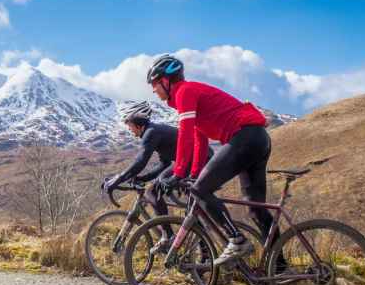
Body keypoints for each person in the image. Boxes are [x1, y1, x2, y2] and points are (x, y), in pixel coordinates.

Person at [146, 54, 279, 266]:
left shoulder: (185, 92)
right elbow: (200, 140)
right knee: (256, 210)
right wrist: (193, 174)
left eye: (154, 84)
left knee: (200, 190)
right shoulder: (187, 95)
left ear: (166, 80)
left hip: (244, 138)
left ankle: (236, 240)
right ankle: (280, 271)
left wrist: (179, 173)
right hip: (257, 139)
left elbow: (186, 135)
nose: (153, 89)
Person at [103, 101, 210, 248]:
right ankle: (198, 251)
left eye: (129, 125)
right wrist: (141, 178)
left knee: (152, 192)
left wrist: (117, 179)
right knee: (187, 209)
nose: (130, 129)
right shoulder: (155, 131)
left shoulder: (151, 133)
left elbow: (140, 161)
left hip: (199, 161)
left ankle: (168, 236)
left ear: (137, 122)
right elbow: (163, 164)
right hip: (191, 162)